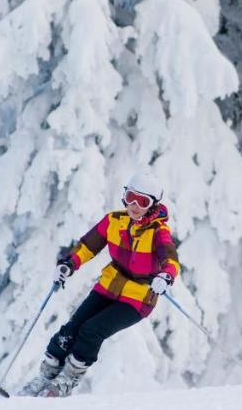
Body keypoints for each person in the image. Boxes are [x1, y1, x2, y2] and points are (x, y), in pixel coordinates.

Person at [20, 170, 181, 397]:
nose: (134, 205)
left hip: (138, 297)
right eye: (130, 197)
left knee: (92, 331)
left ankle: (66, 381)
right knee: (71, 329)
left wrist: (165, 276)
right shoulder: (114, 221)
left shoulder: (158, 232)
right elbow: (87, 246)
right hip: (108, 286)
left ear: (152, 205)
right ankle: (44, 378)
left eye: (142, 201)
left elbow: (170, 258)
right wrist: (69, 264)